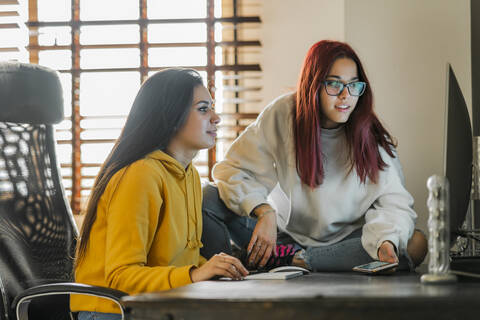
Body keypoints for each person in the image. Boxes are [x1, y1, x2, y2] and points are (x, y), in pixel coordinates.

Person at [201, 40, 427, 272]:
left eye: (353, 86)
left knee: (416, 243)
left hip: (346, 243)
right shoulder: (283, 113)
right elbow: (233, 170)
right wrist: (264, 211)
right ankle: (232, 268)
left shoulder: (371, 135)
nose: (345, 96)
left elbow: (395, 204)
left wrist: (385, 242)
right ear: (314, 84)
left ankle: (295, 261)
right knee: (207, 197)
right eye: (334, 84)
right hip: (280, 237)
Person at [71, 68, 248, 320]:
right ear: (171, 116)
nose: (216, 117)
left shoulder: (190, 176)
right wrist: (195, 275)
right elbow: (120, 276)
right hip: (112, 312)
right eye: (203, 109)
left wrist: (214, 269)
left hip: (157, 306)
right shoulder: (140, 174)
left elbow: (174, 259)